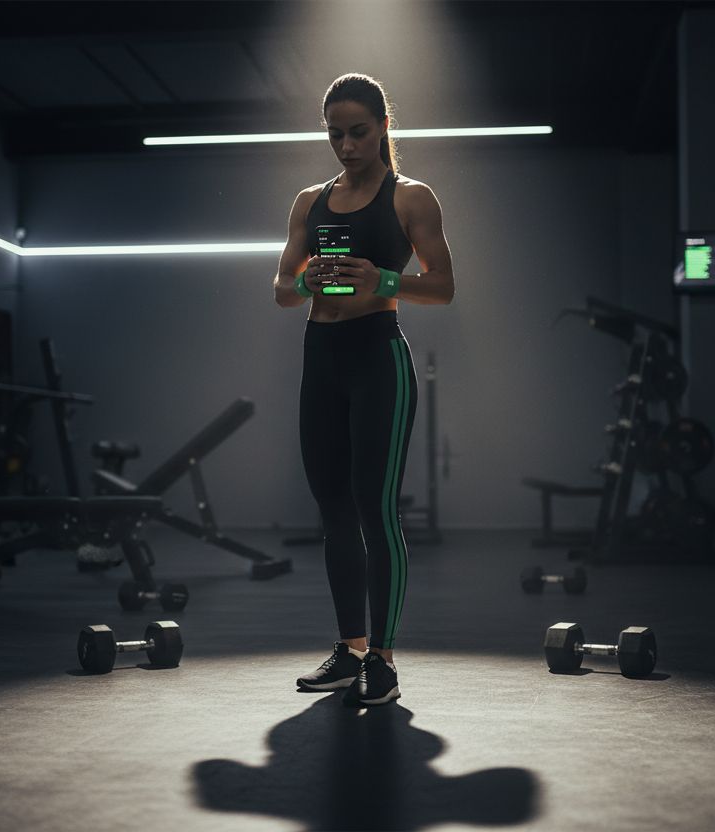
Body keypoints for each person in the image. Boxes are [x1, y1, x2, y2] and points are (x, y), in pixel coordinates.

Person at [273, 73, 455, 706]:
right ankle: (349, 649)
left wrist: (382, 278)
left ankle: (383, 657)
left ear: (382, 128)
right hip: (320, 356)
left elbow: (443, 285)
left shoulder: (411, 199)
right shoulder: (308, 202)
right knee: (334, 513)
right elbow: (281, 289)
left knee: (377, 511)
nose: (346, 146)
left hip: (378, 356)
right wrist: (309, 280)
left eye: (357, 132)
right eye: (335, 134)